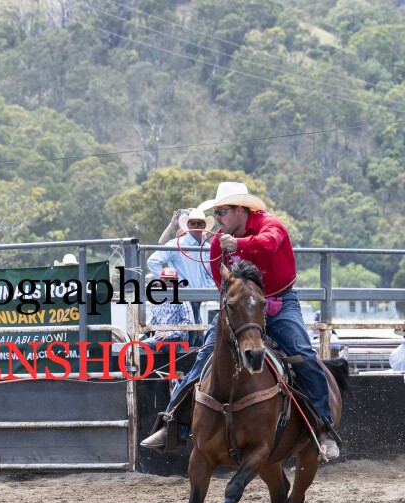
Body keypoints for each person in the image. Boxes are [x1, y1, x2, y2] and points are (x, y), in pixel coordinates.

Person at [141, 181, 341, 460]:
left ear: (240, 210)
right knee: (205, 356)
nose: (218, 218)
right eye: (217, 212)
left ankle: (323, 427)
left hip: (280, 301)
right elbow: (219, 280)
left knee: (303, 354)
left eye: (221, 211)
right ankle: (173, 424)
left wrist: (239, 244)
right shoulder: (218, 243)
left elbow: (270, 242)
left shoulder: (269, 224)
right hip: (241, 307)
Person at [148, 207, 215, 345]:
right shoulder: (177, 244)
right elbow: (152, 261)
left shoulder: (207, 248)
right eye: (193, 223)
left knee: (194, 330)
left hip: (197, 296)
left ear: (204, 226)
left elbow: (210, 272)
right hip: (183, 296)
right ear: (188, 225)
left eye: (199, 223)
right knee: (190, 332)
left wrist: (206, 288)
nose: (196, 226)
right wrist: (168, 282)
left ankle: (192, 350)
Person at [144, 267, 195, 346]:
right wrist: (144, 328)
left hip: (177, 338)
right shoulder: (157, 299)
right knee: (135, 344)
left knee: (139, 346)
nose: (168, 283)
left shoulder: (181, 298)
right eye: (165, 280)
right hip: (159, 337)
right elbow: (155, 320)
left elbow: (189, 321)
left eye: (172, 280)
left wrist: (168, 334)